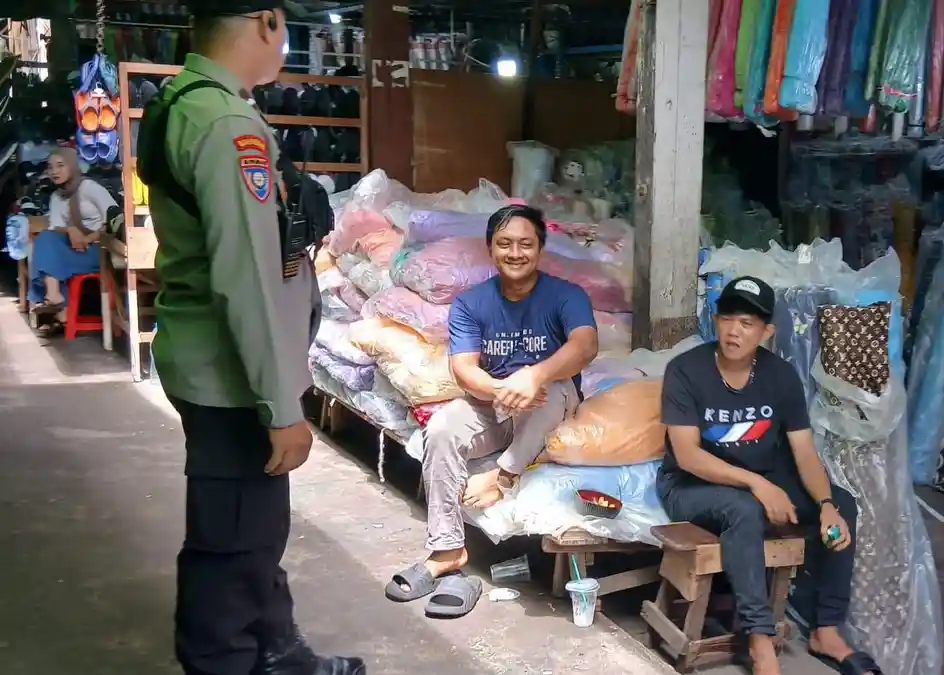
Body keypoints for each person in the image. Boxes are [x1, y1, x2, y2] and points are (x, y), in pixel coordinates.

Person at [139, 2, 363, 673]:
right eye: (289, 29)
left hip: (210, 358)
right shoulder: (225, 122)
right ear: (267, 21)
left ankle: (280, 653)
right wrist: (281, 406)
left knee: (254, 530)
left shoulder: (183, 98)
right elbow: (248, 277)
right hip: (233, 375)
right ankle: (226, 659)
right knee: (231, 542)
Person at [657, 276, 881, 675]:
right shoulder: (686, 371)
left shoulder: (781, 376)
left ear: (767, 331)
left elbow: (804, 451)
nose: (734, 331)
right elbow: (689, 456)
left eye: (747, 323)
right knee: (743, 508)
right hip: (691, 486)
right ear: (715, 320)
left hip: (760, 478)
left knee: (843, 503)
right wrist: (759, 485)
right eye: (727, 319)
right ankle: (760, 642)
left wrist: (826, 504)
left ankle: (826, 629)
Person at [385, 204, 599, 618]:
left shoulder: (566, 295)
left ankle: (503, 476)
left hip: (550, 402)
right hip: (495, 403)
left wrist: (533, 376)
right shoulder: (471, 303)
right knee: (444, 427)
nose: (515, 252)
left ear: (540, 248)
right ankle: (446, 548)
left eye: (525, 244)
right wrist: (500, 388)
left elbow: (585, 346)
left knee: (550, 390)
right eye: (505, 243)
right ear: (490, 249)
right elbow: (464, 369)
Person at [26, 147, 117, 337]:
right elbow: (56, 227)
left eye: (60, 166)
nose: (54, 171)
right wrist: (70, 230)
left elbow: (114, 218)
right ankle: (55, 299)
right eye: (50, 167)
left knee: (49, 256)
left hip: (98, 250)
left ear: (73, 166)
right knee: (45, 239)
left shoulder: (90, 188)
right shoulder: (56, 197)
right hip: (76, 249)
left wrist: (88, 238)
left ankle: (57, 309)